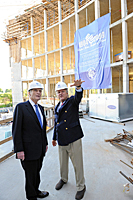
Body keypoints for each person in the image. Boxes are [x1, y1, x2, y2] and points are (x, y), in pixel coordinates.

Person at [12, 81, 49, 200]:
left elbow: (42, 129)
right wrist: (19, 149)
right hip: (27, 150)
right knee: (30, 175)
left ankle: (36, 190)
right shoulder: (21, 107)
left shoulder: (41, 108)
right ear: (29, 93)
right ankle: (31, 196)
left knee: (37, 172)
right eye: (35, 90)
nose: (38, 92)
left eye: (40, 90)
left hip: (40, 148)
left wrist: (45, 143)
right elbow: (16, 130)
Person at [52, 79, 86, 200]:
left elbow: (78, 97)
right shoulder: (57, 106)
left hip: (73, 138)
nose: (60, 93)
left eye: (62, 91)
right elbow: (56, 123)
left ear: (67, 92)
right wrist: (54, 138)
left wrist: (78, 88)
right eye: (58, 92)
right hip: (61, 139)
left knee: (77, 164)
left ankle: (81, 186)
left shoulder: (72, 101)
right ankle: (63, 179)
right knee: (63, 163)